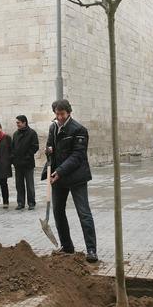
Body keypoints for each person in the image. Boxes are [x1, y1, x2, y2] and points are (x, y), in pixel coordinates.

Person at [45, 99, 98, 263]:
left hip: (76, 177)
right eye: (57, 114)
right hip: (58, 177)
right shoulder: (53, 128)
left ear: (69, 112)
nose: (60, 117)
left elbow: (77, 156)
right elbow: (49, 147)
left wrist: (60, 171)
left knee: (84, 213)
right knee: (58, 212)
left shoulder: (79, 130)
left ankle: (91, 250)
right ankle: (67, 246)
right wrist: (48, 151)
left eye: (62, 114)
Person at [11, 115, 39, 210]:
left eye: (18, 122)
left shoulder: (32, 133)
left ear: (24, 122)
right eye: (17, 123)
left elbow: (35, 147)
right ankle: (20, 203)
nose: (17, 124)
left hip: (28, 164)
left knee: (29, 184)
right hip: (18, 164)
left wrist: (27, 156)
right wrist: (13, 159)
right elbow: (13, 148)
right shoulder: (15, 134)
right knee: (19, 185)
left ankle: (31, 203)